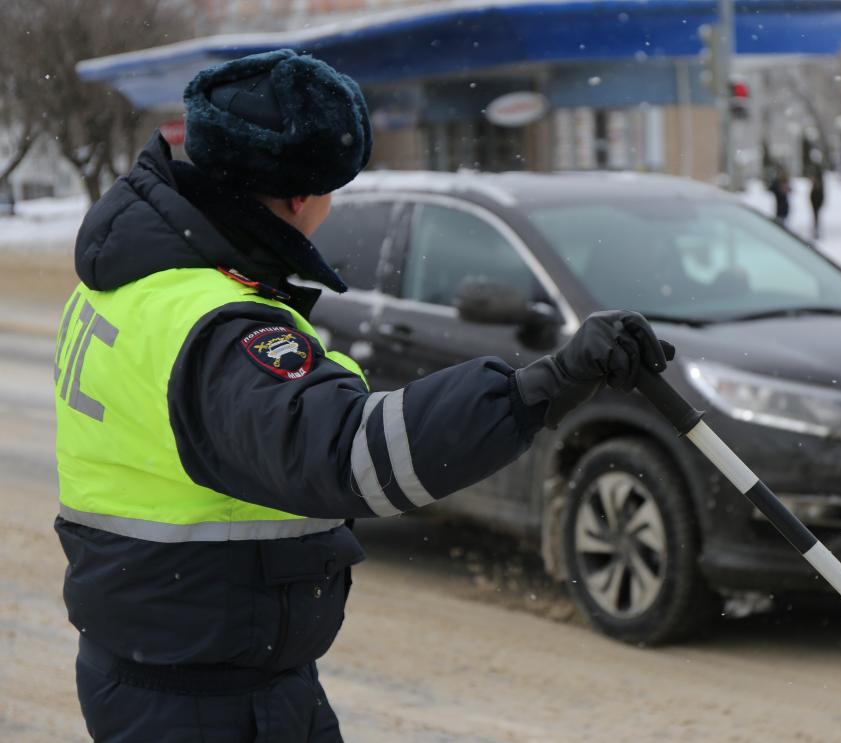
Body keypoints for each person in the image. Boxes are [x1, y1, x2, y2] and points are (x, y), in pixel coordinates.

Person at [53, 50, 672, 742]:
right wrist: (543, 388)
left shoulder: (136, 279)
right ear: (298, 197)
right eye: (331, 189)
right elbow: (350, 452)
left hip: (171, 665)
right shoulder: (220, 324)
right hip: (207, 704)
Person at [809, 160, 826, 239]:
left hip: (817, 201)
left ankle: (816, 231)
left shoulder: (819, 187)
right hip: (815, 201)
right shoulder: (816, 188)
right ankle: (815, 230)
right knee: (815, 216)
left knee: (816, 216)